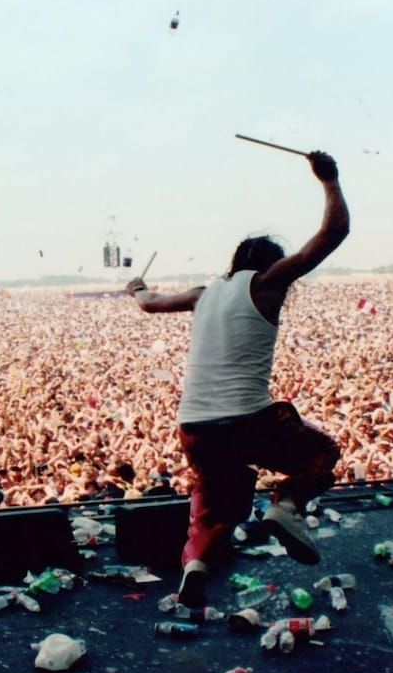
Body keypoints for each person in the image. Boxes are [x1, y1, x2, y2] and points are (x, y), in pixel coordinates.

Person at [124, 150, 349, 606]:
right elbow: (332, 234)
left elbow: (149, 303)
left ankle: (195, 568)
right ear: (270, 265)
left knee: (213, 505)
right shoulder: (266, 283)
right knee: (323, 453)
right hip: (246, 420)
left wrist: (137, 288)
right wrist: (329, 180)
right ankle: (286, 507)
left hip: (194, 427)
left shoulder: (204, 294)